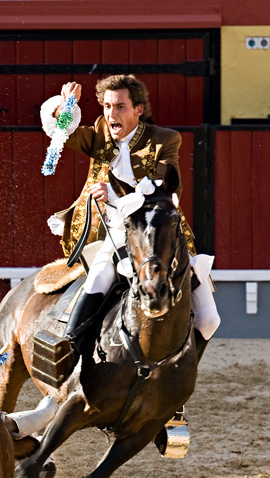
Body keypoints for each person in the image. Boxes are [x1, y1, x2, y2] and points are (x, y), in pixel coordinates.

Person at [40, 75, 220, 369]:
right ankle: (68, 354)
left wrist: (112, 191)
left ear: (138, 109)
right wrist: (65, 107)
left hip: (155, 231)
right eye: (107, 106)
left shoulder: (165, 139)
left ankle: (178, 378)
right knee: (98, 278)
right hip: (111, 231)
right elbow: (62, 134)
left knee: (209, 319)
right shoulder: (99, 133)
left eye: (120, 106)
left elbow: (167, 188)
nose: (112, 114)